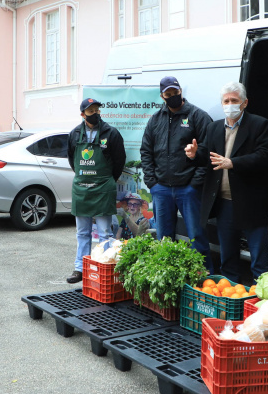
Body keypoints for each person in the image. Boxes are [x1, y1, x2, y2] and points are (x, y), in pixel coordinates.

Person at [185, 82, 268, 282]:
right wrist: (195, 154)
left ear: (245, 103)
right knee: (228, 256)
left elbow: (265, 156)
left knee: (259, 258)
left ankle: (262, 294)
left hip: (250, 202)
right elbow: (208, 155)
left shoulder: (259, 125)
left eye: (234, 100)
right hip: (224, 202)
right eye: (226, 101)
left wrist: (233, 163)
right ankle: (230, 292)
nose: (230, 104)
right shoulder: (214, 127)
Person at [141, 76, 214, 272]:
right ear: (162, 96)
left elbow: (209, 151)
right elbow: (146, 151)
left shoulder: (198, 116)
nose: (173, 96)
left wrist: (195, 184)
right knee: (164, 239)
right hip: (161, 189)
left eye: (176, 92)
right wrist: (152, 183)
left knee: (197, 237)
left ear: (181, 91)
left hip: (188, 190)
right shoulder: (155, 120)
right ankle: (168, 277)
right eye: (168, 94)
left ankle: (204, 278)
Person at [65, 97, 126, 284]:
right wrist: (85, 176)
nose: (95, 114)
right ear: (83, 114)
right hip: (81, 189)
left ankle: (105, 269)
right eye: (91, 111)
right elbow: (72, 159)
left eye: (97, 110)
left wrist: (107, 180)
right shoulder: (75, 134)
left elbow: (119, 160)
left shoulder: (111, 133)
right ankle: (80, 268)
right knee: (82, 232)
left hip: (103, 188)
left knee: (105, 233)